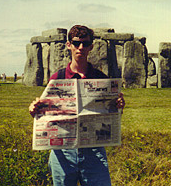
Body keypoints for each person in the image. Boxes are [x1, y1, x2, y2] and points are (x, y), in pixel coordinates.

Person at [29, 25, 125, 186]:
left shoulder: (100, 78)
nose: (81, 47)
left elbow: (110, 115)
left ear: (91, 47)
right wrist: (35, 110)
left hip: (94, 149)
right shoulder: (57, 77)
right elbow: (45, 113)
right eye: (76, 43)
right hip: (63, 151)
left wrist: (119, 107)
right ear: (68, 45)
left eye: (85, 44)